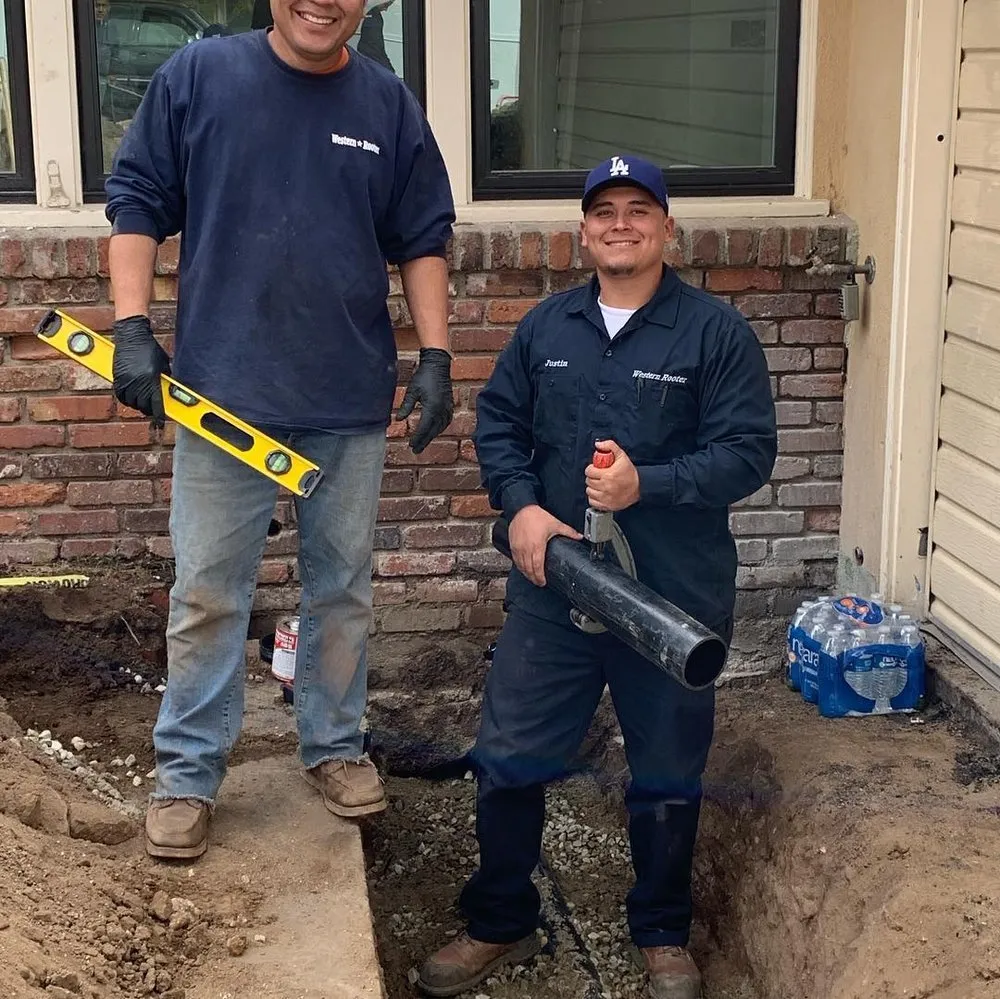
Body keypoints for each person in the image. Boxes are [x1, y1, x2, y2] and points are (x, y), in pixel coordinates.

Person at [418, 155, 777, 999]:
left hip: (669, 603)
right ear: (583, 232)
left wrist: (646, 483)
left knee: (666, 771)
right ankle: (499, 919)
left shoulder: (715, 334)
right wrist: (520, 511)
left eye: (638, 210)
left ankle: (661, 933)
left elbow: (747, 454)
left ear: (666, 229)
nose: (621, 223)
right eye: (604, 210)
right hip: (558, 589)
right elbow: (499, 426)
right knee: (507, 758)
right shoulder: (547, 330)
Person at [105, 0, 456, 860]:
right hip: (225, 395)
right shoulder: (202, 78)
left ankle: (335, 747)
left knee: (341, 588)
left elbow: (422, 234)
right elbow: (139, 200)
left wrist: (437, 354)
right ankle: (187, 774)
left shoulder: (387, 105)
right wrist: (131, 327)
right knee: (208, 591)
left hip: (345, 395)